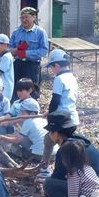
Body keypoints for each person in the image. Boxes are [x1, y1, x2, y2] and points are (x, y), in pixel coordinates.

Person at [41, 111, 99, 197]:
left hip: (97, 196)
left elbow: (58, 177)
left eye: (50, 132)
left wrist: (45, 187)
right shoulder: (80, 140)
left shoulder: (66, 149)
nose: (49, 135)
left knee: (49, 184)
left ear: (56, 133)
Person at [39, 49, 79, 178]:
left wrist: (50, 115)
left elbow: (55, 99)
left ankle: (49, 171)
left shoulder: (59, 79)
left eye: (52, 67)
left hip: (62, 119)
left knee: (54, 143)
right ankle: (69, 172)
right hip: (72, 118)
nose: (52, 70)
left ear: (56, 65)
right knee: (59, 144)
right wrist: (49, 112)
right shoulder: (72, 77)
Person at [8, 7, 49, 99]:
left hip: (32, 66)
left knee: (32, 90)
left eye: (26, 17)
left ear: (33, 17)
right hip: (18, 65)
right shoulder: (16, 32)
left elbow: (44, 50)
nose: (24, 20)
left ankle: (32, 110)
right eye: (22, 18)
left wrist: (26, 53)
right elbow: (9, 49)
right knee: (16, 88)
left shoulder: (40, 32)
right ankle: (16, 110)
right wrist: (16, 50)